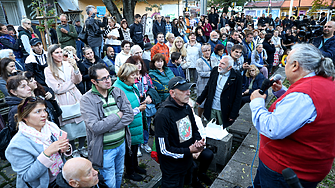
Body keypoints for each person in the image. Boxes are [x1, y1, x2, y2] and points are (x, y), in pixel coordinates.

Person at [249, 43, 335, 188]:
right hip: (305, 167)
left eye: (286, 61)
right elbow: (307, 113)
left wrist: (257, 103)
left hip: (284, 172)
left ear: (295, 65)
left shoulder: (304, 95)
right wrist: (284, 92)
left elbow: (273, 128)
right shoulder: (324, 84)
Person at [80, 63, 133, 187]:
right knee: (109, 180)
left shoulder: (117, 91)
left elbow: (129, 115)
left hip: (121, 143)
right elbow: (96, 127)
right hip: (105, 149)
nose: (108, 81)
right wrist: (117, 115)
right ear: (94, 81)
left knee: (119, 173)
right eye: (103, 79)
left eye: (109, 77)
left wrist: (107, 126)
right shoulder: (87, 99)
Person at [5, 97, 71, 187]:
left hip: (61, 175)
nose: (44, 114)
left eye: (44, 110)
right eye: (38, 111)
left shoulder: (51, 127)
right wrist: (47, 153)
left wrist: (66, 148)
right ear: (25, 117)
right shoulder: (17, 145)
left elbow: (60, 152)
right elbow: (27, 176)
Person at [154, 76, 206, 188]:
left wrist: (198, 141)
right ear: (172, 93)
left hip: (187, 163)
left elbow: (194, 129)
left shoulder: (186, 107)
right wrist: (189, 150)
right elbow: (163, 150)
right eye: (183, 90)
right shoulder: (163, 115)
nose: (188, 93)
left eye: (188, 89)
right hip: (172, 169)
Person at [44, 44, 87, 158]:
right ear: (51, 55)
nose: (60, 55)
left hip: (76, 96)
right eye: (56, 52)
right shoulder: (48, 70)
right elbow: (57, 88)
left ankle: (81, 146)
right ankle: (72, 149)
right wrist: (71, 83)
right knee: (69, 127)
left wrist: (76, 69)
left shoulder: (68, 64)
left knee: (82, 123)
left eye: (60, 52)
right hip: (62, 100)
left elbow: (78, 80)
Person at [113, 63, 147, 181]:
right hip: (127, 126)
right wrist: (138, 110)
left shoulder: (131, 85)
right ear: (125, 75)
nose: (137, 77)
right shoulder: (117, 89)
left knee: (135, 146)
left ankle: (136, 166)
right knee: (129, 150)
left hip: (135, 123)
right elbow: (120, 113)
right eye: (133, 74)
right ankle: (130, 172)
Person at [196, 56, 242, 127]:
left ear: (229, 67)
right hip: (211, 107)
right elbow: (208, 86)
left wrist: (233, 114)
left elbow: (238, 97)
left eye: (223, 64)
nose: (219, 65)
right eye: (219, 62)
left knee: (223, 132)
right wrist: (200, 99)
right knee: (210, 129)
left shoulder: (236, 76)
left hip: (224, 110)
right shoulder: (215, 71)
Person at [126, 56, 157, 156]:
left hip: (146, 104)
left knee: (147, 125)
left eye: (140, 63)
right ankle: (137, 146)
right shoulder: (129, 78)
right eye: (136, 63)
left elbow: (151, 88)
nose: (139, 65)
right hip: (135, 105)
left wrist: (149, 97)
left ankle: (145, 143)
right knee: (137, 126)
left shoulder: (145, 76)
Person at [196, 43, 218, 117]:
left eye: (208, 50)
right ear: (202, 51)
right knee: (201, 102)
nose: (207, 52)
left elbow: (218, 69)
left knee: (210, 100)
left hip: (212, 83)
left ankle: (207, 115)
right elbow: (201, 73)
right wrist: (212, 73)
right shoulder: (199, 61)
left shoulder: (214, 59)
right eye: (205, 51)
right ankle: (199, 116)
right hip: (202, 83)